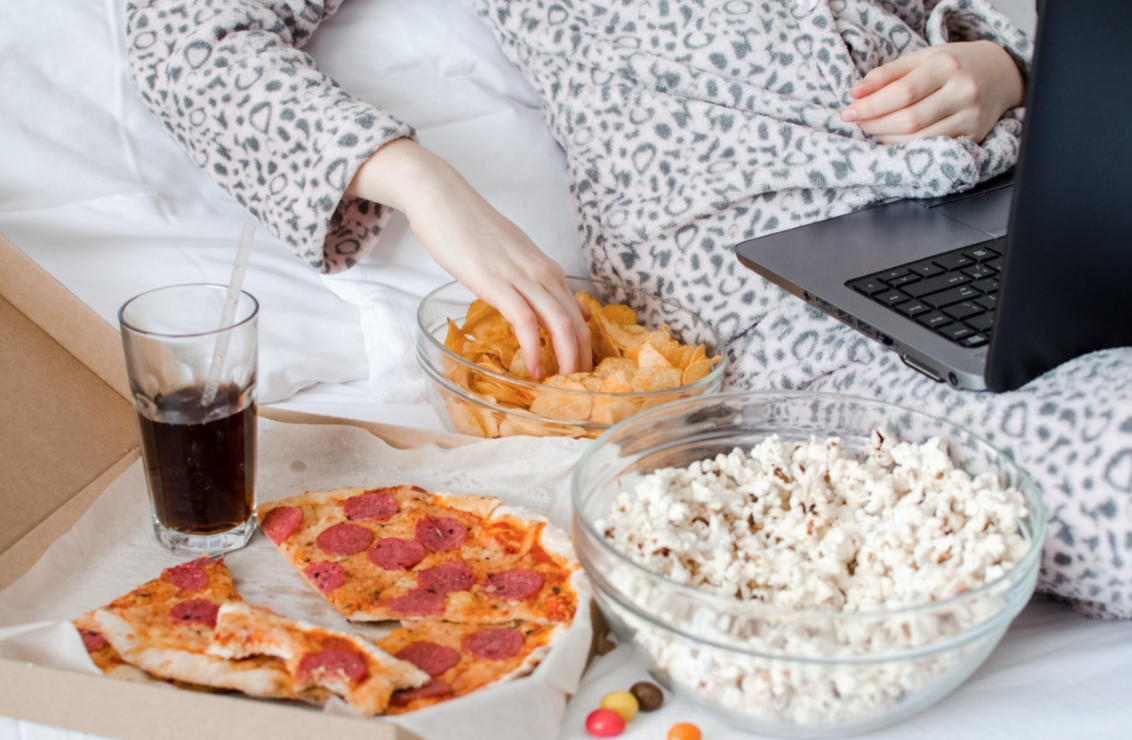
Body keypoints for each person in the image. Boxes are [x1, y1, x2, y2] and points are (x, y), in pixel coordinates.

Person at [124, 0, 1132, 620]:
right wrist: (419, 182)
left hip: (1027, 188)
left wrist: (998, 63)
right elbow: (182, 31)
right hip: (776, 285)